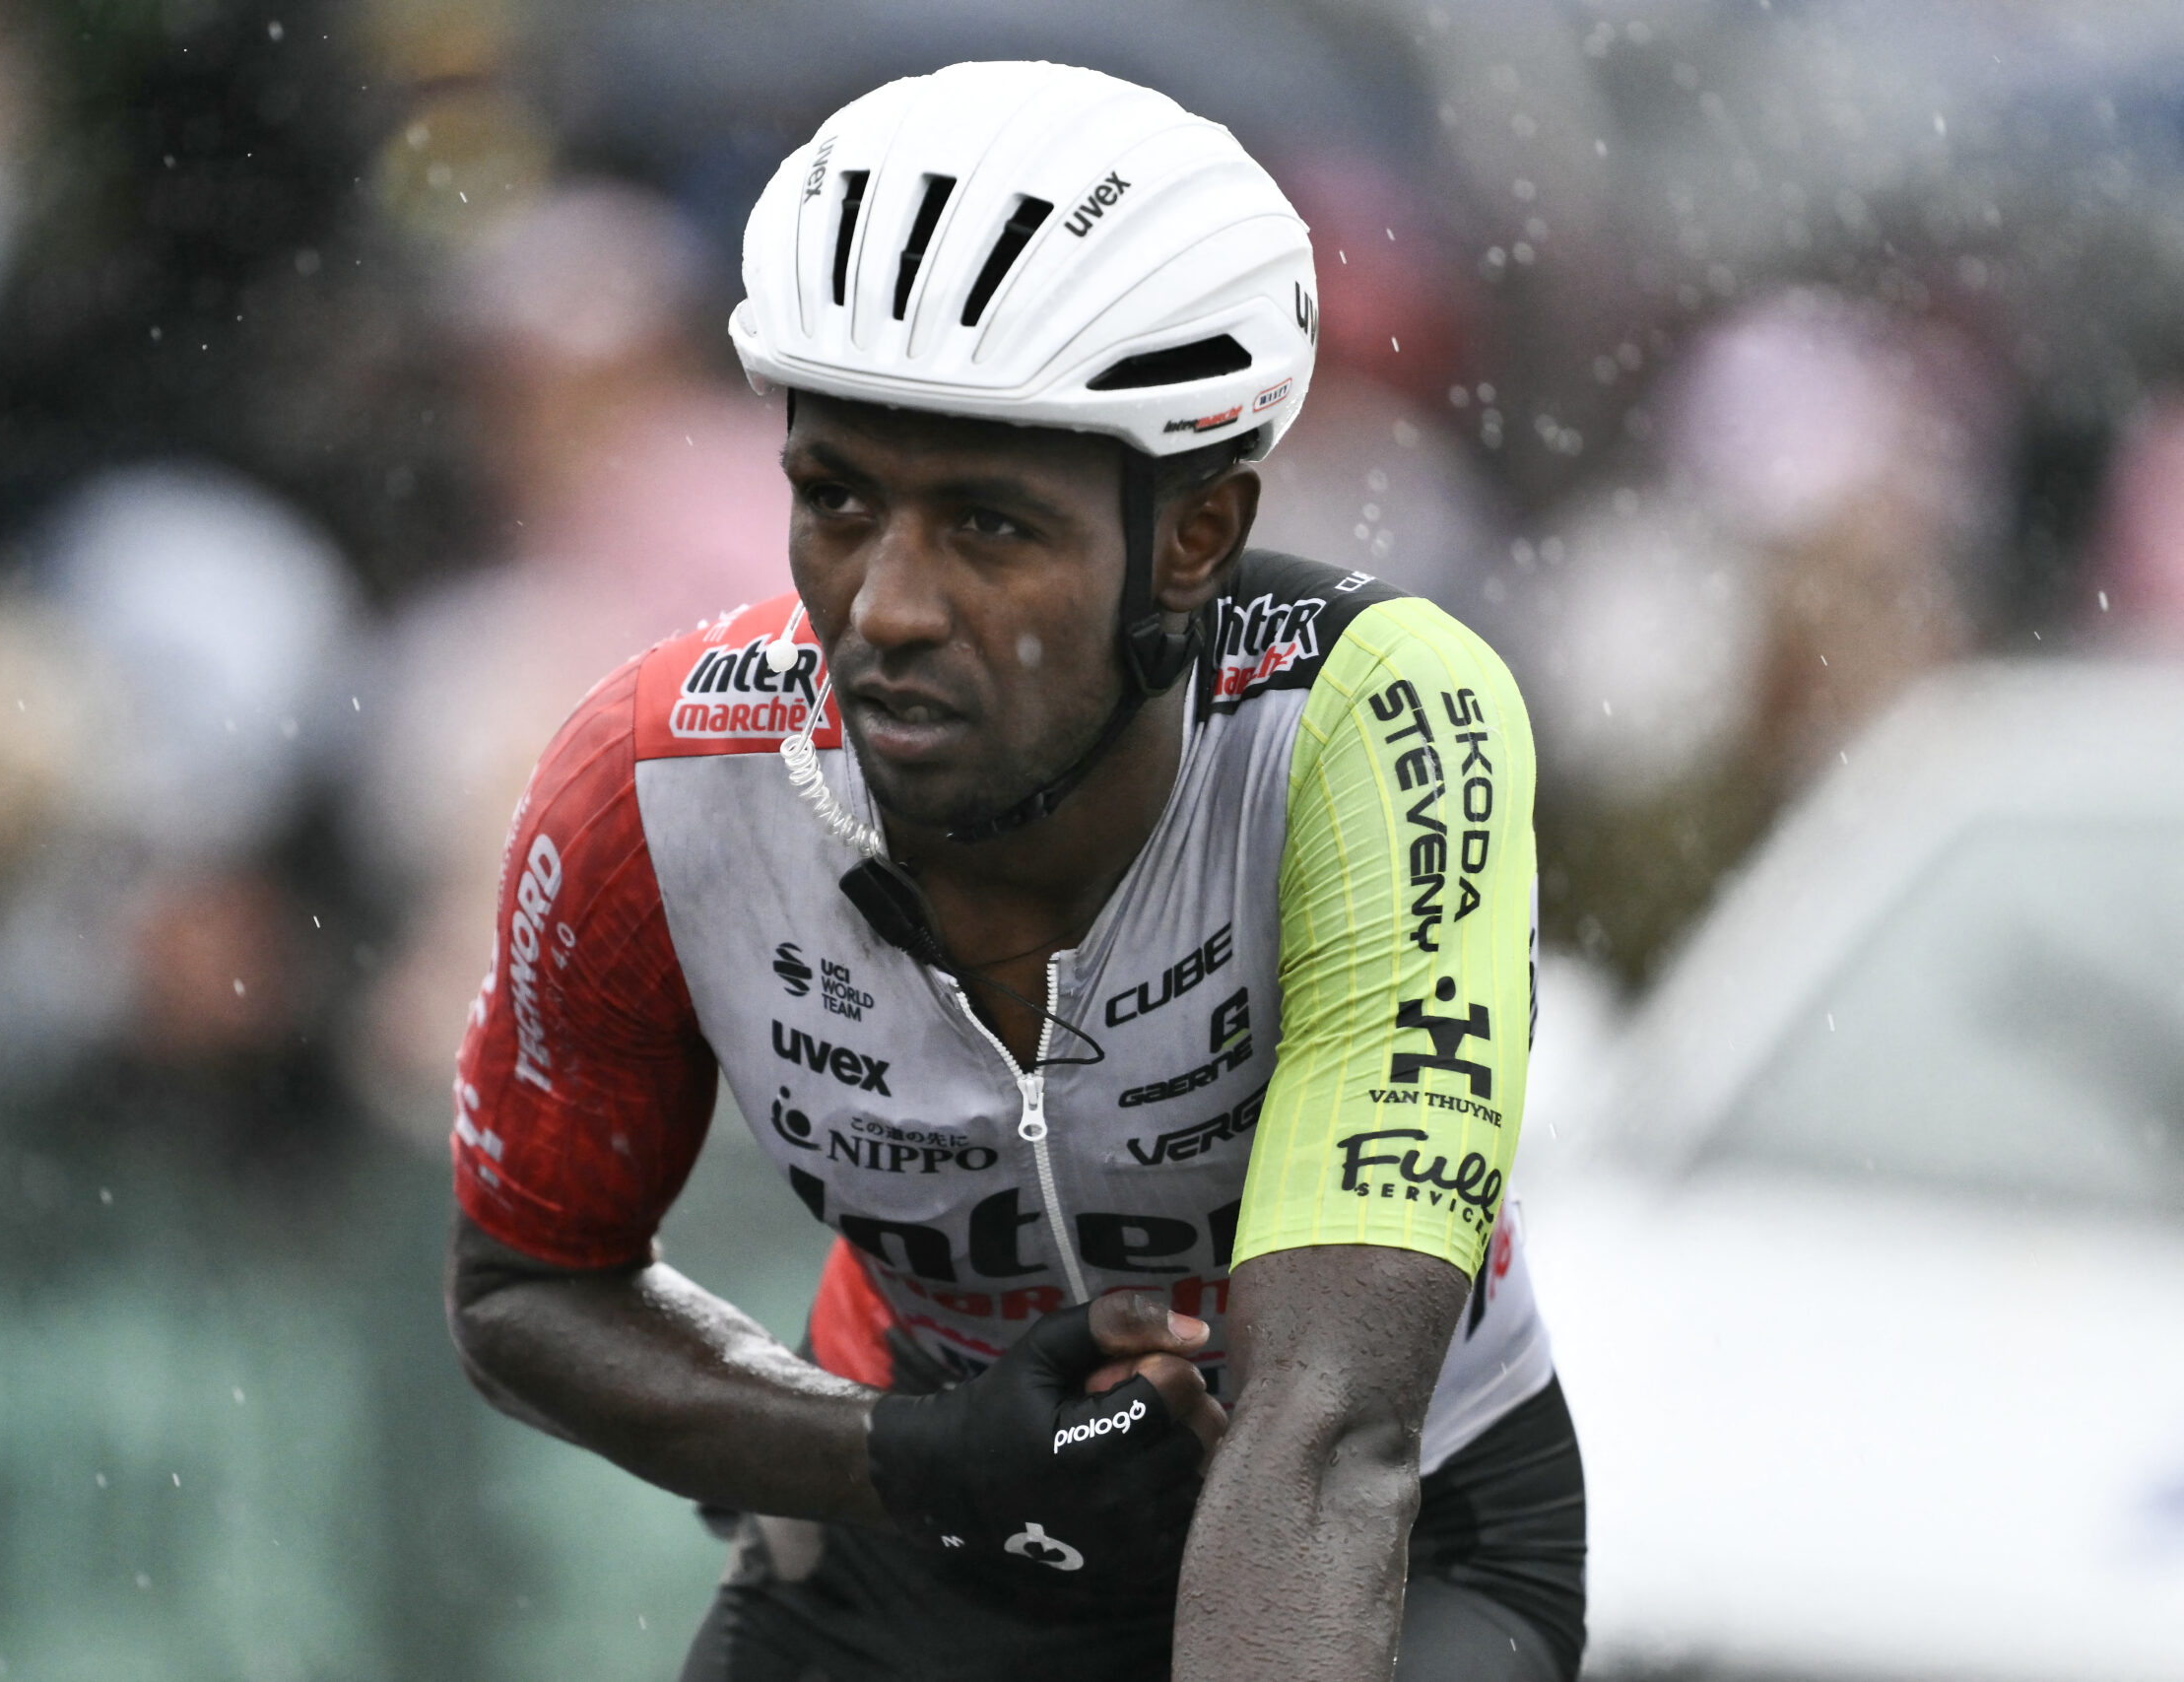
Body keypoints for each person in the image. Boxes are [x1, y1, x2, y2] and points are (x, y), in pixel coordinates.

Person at [445, 62, 1583, 1682]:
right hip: (922, 1540)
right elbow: (521, 1294)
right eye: (836, 499)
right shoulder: (654, 785)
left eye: (986, 526)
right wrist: (916, 1456)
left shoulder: (1376, 728)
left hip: (1387, 1538)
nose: (886, 607)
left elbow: (1327, 1438)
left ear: (1193, 537)